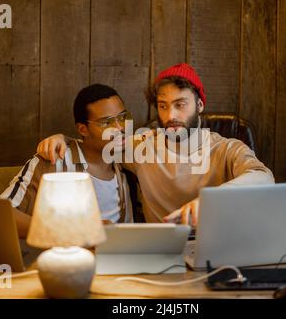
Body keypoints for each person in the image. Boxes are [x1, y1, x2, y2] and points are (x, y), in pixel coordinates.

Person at [36, 63, 274, 226]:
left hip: (218, 248)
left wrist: (210, 200)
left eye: (181, 104)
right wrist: (62, 138)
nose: (170, 115)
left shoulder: (226, 148)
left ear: (200, 105)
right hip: (161, 251)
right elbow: (96, 141)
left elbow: (263, 177)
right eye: (163, 105)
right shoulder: (142, 148)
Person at [0, 84, 134, 238]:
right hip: (62, 256)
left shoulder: (127, 163)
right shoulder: (53, 161)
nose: (120, 128)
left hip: (115, 256)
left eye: (123, 117)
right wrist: (70, 232)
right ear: (83, 129)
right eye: (106, 123)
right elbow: (1, 215)